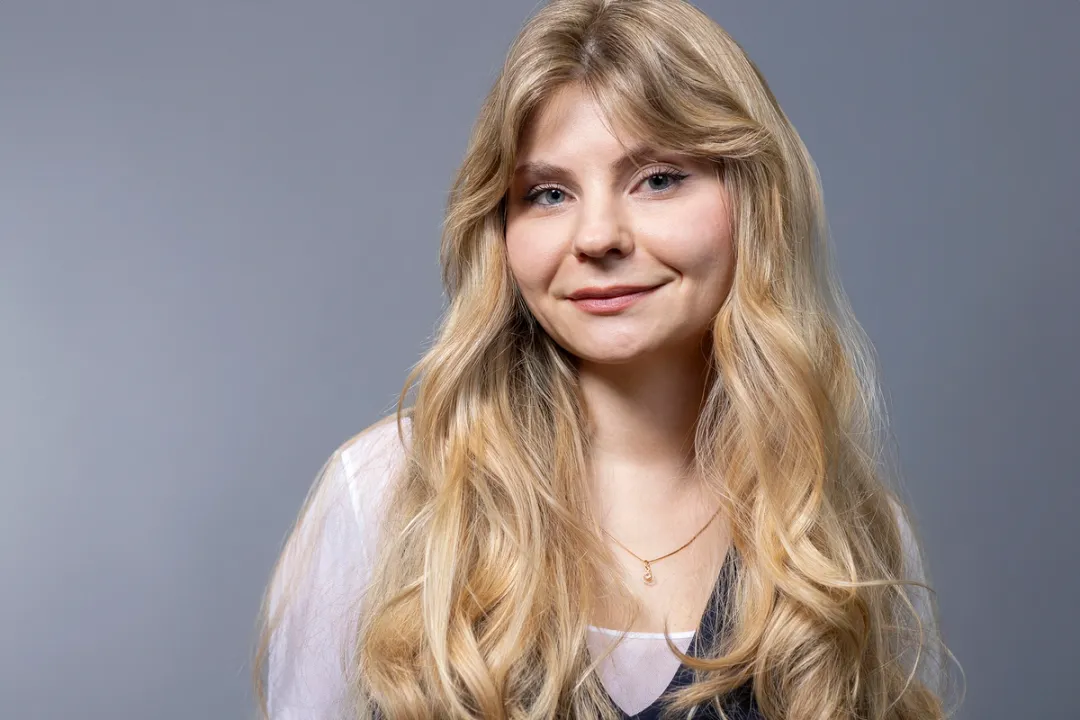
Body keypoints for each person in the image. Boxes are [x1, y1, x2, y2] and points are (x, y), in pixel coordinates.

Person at [252, 1, 960, 718]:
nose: (597, 236)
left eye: (657, 178)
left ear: (754, 200)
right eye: (549, 194)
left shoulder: (837, 536)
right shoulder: (384, 501)